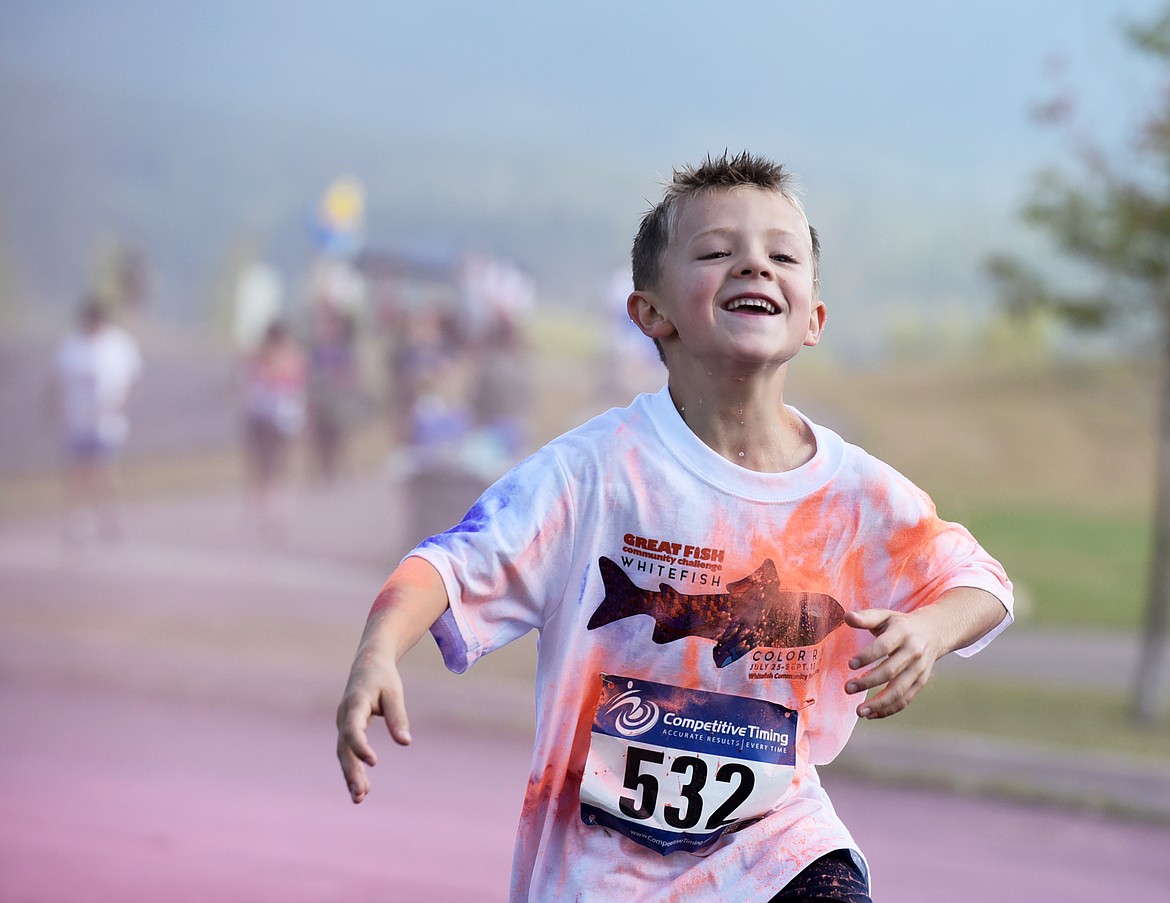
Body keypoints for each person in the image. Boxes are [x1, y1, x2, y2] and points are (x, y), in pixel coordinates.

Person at [336, 152, 1014, 902]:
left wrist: (927, 633)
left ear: (813, 317)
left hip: (781, 850)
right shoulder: (594, 472)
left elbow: (980, 582)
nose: (753, 265)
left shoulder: (852, 493)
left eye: (781, 255)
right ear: (650, 313)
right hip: (599, 872)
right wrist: (378, 649)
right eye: (719, 251)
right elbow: (449, 566)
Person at [51, 297, 143, 543]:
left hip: (106, 418)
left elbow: (134, 376)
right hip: (77, 417)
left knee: (104, 466)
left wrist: (122, 402)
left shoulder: (118, 343)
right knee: (76, 468)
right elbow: (59, 379)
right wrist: (58, 406)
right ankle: (79, 517)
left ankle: (111, 513)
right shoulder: (71, 344)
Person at [240, 319, 307, 539]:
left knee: (267, 470)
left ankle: (270, 514)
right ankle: (275, 514)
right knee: (275, 470)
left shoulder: (267, 357)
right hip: (278, 419)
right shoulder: (290, 357)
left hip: (270, 418)